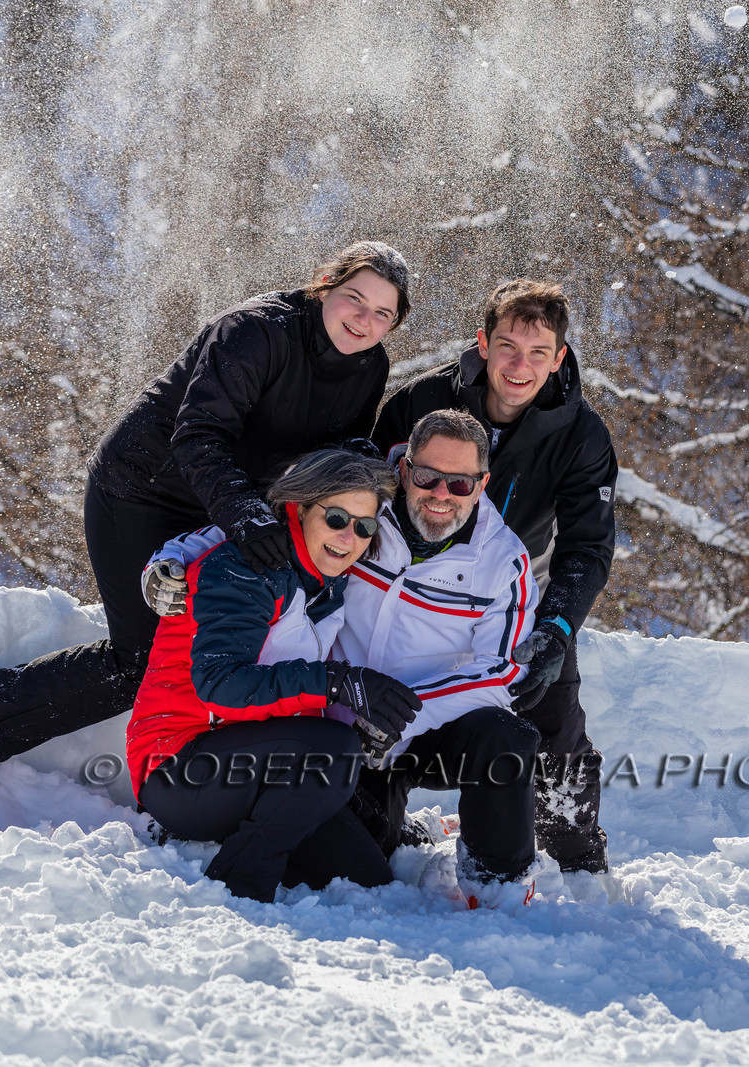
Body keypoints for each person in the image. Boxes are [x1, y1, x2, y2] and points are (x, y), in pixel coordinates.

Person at [0, 241, 411, 760]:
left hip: (228, 504)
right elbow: (199, 434)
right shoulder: (255, 331)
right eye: (353, 298)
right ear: (323, 287)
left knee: (218, 647)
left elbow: (331, 464)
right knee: (141, 657)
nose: (363, 319)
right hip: (144, 487)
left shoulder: (368, 367)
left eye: (382, 313)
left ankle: (206, 777)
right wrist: (246, 516)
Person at [146, 409, 544, 888]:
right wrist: (169, 558)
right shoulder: (357, 513)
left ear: (481, 484)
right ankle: (237, 866)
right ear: (405, 469)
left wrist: (397, 713)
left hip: (399, 728)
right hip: (292, 737)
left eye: (459, 484)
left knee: (500, 743)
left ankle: (497, 886)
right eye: (428, 476)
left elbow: (500, 672)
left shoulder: (501, 562)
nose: (441, 494)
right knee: (353, 824)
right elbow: (252, 532)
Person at [371, 279, 618, 875]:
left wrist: (555, 629)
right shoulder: (422, 401)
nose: (520, 365)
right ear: (482, 343)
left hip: (514, 595)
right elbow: (366, 488)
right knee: (380, 707)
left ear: (559, 357)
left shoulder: (582, 435)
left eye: (538, 353)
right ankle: (383, 826)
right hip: (410, 586)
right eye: (507, 345)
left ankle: (578, 856)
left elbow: (587, 547)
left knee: (552, 716)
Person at [128, 449, 420, 902]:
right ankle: (239, 884)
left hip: (252, 766)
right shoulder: (246, 566)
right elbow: (222, 686)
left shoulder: (325, 581)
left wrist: (360, 716)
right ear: (301, 506)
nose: (350, 537)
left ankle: (253, 842)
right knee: (332, 750)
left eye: (365, 527)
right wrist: (338, 681)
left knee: (369, 874)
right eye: (338, 517)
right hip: (177, 768)